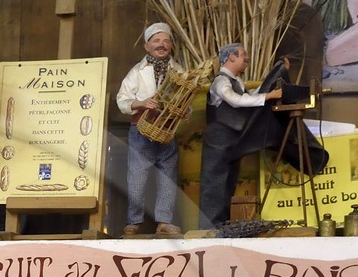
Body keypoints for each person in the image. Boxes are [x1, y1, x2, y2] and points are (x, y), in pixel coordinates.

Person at [199, 43, 284, 229]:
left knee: (228, 181)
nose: (246, 58)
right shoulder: (221, 81)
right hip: (218, 138)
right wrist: (267, 96)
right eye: (243, 55)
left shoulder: (236, 81)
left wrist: (271, 79)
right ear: (230, 58)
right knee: (214, 184)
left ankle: (221, 225)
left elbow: (248, 94)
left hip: (232, 139)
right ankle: (209, 228)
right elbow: (236, 100)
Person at [115, 23, 183, 235]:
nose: (161, 45)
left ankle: (164, 220)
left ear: (171, 46)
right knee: (137, 174)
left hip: (167, 130)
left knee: (168, 175)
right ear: (147, 46)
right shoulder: (137, 71)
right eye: (156, 41)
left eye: (165, 41)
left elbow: (185, 97)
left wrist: (183, 110)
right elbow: (122, 99)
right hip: (141, 130)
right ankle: (133, 221)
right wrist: (141, 103)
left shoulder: (179, 71)